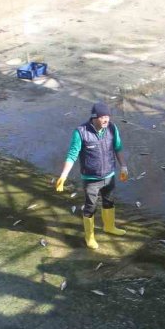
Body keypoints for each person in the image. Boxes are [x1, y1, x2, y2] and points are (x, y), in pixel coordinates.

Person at [54, 102, 128, 249]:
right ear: (94, 117)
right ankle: (90, 237)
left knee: (109, 202)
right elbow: (72, 154)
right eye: (103, 117)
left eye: (108, 116)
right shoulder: (81, 132)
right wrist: (64, 175)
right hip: (91, 179)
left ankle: (109, 227)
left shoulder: (112, 128)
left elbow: (118, 147)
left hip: (109, 175)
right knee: (90, 207)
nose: (106, 120)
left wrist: (123, 166)